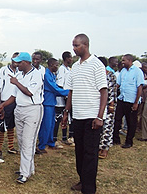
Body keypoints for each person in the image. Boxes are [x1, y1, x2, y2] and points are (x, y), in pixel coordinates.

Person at [61, 34, 107, 193]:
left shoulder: (97, 65)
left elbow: (103, 92)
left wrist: (99, 116)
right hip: (78, 116)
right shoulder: (75, 67)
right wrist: (66, 113)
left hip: (92, 117)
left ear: (85, 45)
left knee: (90, 153)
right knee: (79, 151)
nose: (73, 49)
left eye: (76, 46)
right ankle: (82, 179)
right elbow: (71, 92)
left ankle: (89, 188)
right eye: (73, 45)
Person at [0, 52, 43, 184]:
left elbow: (29, 92)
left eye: (19, 62)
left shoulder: (37, 74)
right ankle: (28, 168)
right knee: (21, 141)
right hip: (19, 109)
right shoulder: (19, 75)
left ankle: (24, 173)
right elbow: (13, 96)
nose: (16, 64)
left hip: (32, 109)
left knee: (28, 142)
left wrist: (16, 82)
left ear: (26, 62)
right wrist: (2, 105)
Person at [112, 54, 144, 148]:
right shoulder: (123, 71)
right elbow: (118, 84)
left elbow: (139, 88)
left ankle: (128, 141)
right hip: (122, 99)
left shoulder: (137, 72)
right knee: (117, 119)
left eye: (123, 60)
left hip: (131, 101)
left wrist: (135, 103)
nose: (122, 62)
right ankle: (116, 139)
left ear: (129, 61)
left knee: (131, 122)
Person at [37, 58, 69, 153]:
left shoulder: (52, 75)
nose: (57, 67)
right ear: (51, 65)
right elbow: (54, 88)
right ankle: (41, 146)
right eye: (56, 65)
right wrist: (69, 92)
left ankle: (50, 143)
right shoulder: (46, 75)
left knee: (51, 125)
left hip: (52, 102)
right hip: (47, 103)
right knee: (46, 125)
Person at [0, 52, 19, 159]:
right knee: (2, 127)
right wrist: (1, 104)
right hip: (5, 102)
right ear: (11, 59)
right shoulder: (3, 70)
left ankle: (10, 147)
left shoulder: (20, 71)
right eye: (14, 59)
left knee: (11, 126)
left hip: (16, 102)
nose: (15, 62)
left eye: (18, 60)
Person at [97, 57, 117, 159]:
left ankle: (105, 149)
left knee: (107, 128)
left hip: (109, 105)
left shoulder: (110, 75)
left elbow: (113, 91)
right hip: (98, 104)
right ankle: (100, 147)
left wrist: (112, 105)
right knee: (99, 127)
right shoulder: (97, 75)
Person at [53, 51, 74, 147]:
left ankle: (66, 138)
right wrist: (65, 96)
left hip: (67, 98)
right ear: (66, 58)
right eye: (70, 57)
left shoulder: (68, 69)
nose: (72, 59)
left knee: (67, 118)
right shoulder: (61, 69)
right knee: (58, 119)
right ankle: (54, 139)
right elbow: (60, 85)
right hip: (61, 99)